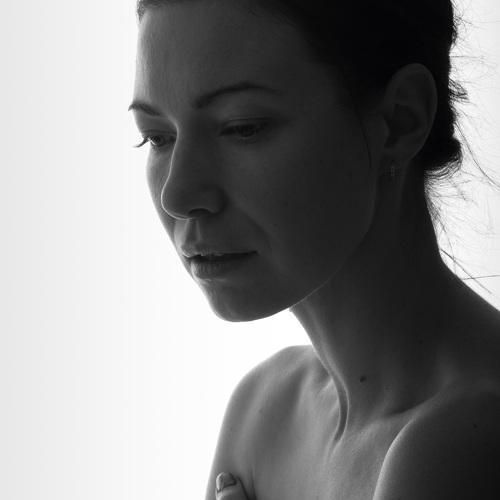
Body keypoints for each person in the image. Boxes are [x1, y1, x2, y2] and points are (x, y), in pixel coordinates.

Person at [128, 0, 500, 498]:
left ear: (400, 120)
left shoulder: (462, 440)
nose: (177, 195)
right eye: (156, 137)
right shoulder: (264, 406)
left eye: (242, 126)